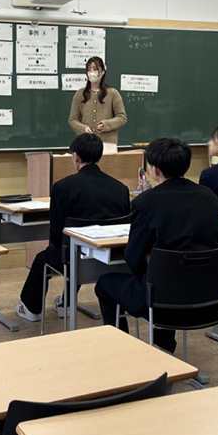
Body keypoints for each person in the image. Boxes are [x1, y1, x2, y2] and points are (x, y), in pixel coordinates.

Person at [95, 137, 218, 353]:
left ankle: (121, 351)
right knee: (169, 275)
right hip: (209, 301)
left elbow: (133, 260)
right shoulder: (209, 197)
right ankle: (164, 347)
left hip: (162, 303)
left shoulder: (146, 202)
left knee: (105, 283)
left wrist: (152, 260)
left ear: (155, 170)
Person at [15, 133, 130, 323]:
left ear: (75, 156)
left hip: (74, 259)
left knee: (46, 257)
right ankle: (65, 304)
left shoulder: (63, 187)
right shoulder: (120, 188)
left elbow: (56, 235)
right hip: (112, 260)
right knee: (75, 249)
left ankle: (31, 309)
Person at [68, 56, 127, 146]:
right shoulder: (80, 94)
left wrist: (106, 125)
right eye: (89, 69)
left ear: (103, 72)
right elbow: (72, 120)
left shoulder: (113, 93)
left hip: (107, 144)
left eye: (95, 69)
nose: (91, 72)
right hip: (85, 144)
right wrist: (83, 128)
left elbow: (122, 118)